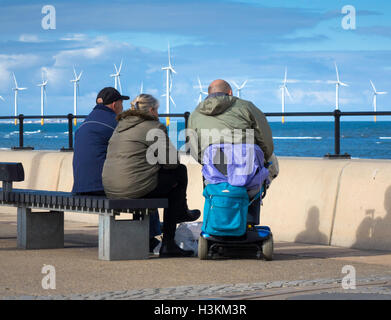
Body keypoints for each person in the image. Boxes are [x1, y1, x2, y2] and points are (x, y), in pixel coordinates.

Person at [102, 94, 201, 257]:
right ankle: (169, 242)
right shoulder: (153, 126)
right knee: (179, 172)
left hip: (112, 188)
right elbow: (171, 161)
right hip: (133, 187)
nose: (158, 114)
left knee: (165, 181)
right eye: (157, 110)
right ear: (151, 109)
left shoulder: (120, 126)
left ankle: (178, 216)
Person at [71, 87, 161, 252]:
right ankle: (151, 238)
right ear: (114, 104)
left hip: (80, 187)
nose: (123, 107)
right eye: (121, 103)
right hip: (100, 186)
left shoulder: (86, 122)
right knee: (143, 188)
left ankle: (150, 236)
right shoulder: (115, 123)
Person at [188, 79, 278, 225]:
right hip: (246, 170)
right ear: (230, 93)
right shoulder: (246, 107)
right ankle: (249, 215)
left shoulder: (195, 114)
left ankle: (218, 216)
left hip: (215, 171)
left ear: (208, 93)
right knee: (268, 165)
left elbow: (194, 149)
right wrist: (265, 158)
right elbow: (265, 139)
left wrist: (206, 162)